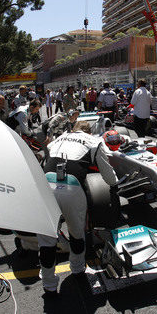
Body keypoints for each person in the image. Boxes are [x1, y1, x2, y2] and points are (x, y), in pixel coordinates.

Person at [38, 121, 118, 296]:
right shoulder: (94, 141)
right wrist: (115, 183)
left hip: (46, 185)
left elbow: (47, 155)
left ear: (73, 130)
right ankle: (77, 269)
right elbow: (108, 174)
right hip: (72, 188)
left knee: (46, 241)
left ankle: (49, 285)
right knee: (77, 234)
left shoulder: (58, 139)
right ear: (88, 132)